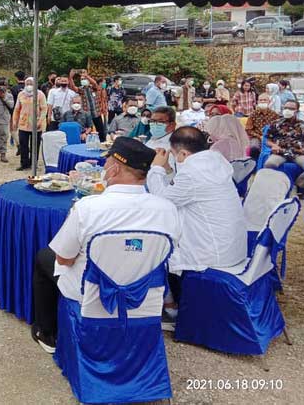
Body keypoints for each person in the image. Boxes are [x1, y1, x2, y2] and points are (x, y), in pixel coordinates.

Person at [31, 137, 179, 353]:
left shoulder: (88, 207)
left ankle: (47, 333)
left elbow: (64, 258)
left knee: (45, 257)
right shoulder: (167, 209)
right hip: (144, 293)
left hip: (93, 293)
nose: (104, 167)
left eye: (106, 162)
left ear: (115, 168)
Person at [147, 127, 248, 328]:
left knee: (155, 248)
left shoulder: (193, 173)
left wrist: (156, 169)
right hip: (231, 245)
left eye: (175, 155)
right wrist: (168, 169)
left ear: (183, 153)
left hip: (212, 252)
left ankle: (171, 307)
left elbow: (162, 201)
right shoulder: (214, 162)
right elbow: (180, 189)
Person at [264, 100, 304, 188]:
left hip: (298, 152)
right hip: (280, 151)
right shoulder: (276, 123)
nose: (287, 110)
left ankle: (297, 185)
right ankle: (272, 187)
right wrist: (274, 145)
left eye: (291, 108)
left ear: (297, 110)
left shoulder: (302, 125)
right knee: (269, 164)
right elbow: (268, 140)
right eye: (285, 108)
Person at [12, 77, 47, 171]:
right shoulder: (21, 94)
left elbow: (44, 109)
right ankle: (24, 163)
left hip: (36, 125)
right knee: (23, 144)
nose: (29, 86)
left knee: (35, 145)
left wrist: (40, 121)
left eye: (31, 83)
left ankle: (33, 163)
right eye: (27, 83)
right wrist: (14, 121)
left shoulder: (40, 94)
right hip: (23, 124)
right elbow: (16, 109)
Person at [69, 69, 106, 142]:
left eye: (84, 79)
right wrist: (70, 78)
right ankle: (89, 143)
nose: (83, 80)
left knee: (100, 130)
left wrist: (87, 76)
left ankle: (103, 142)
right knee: (88, 129)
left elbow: (95, 83)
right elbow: (73, 87)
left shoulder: (93, 87)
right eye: (82, 79)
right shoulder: (81, 89)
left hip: (96, 113)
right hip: (87, 114)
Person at [245, 93, 281, 160]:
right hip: (256, 137)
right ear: (257, 102)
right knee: (254, 147)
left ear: (269, 102)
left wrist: (269, 138)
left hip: (270, 137)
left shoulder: (274, 114)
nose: (262, 102)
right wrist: (259, 136)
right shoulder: (253, 114)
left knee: (275, 148)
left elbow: (278, 128)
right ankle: (254, 164)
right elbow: (248, 129)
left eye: (265, 100)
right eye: (260, 100)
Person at [10, 70, 27, 156]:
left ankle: (19, 145)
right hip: (27, 111)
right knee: (25, 129)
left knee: (13, 129)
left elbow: (12, 101)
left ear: (16, 78)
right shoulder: (28, 87)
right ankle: (24, 146)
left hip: (16, 110)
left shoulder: (13, 88)